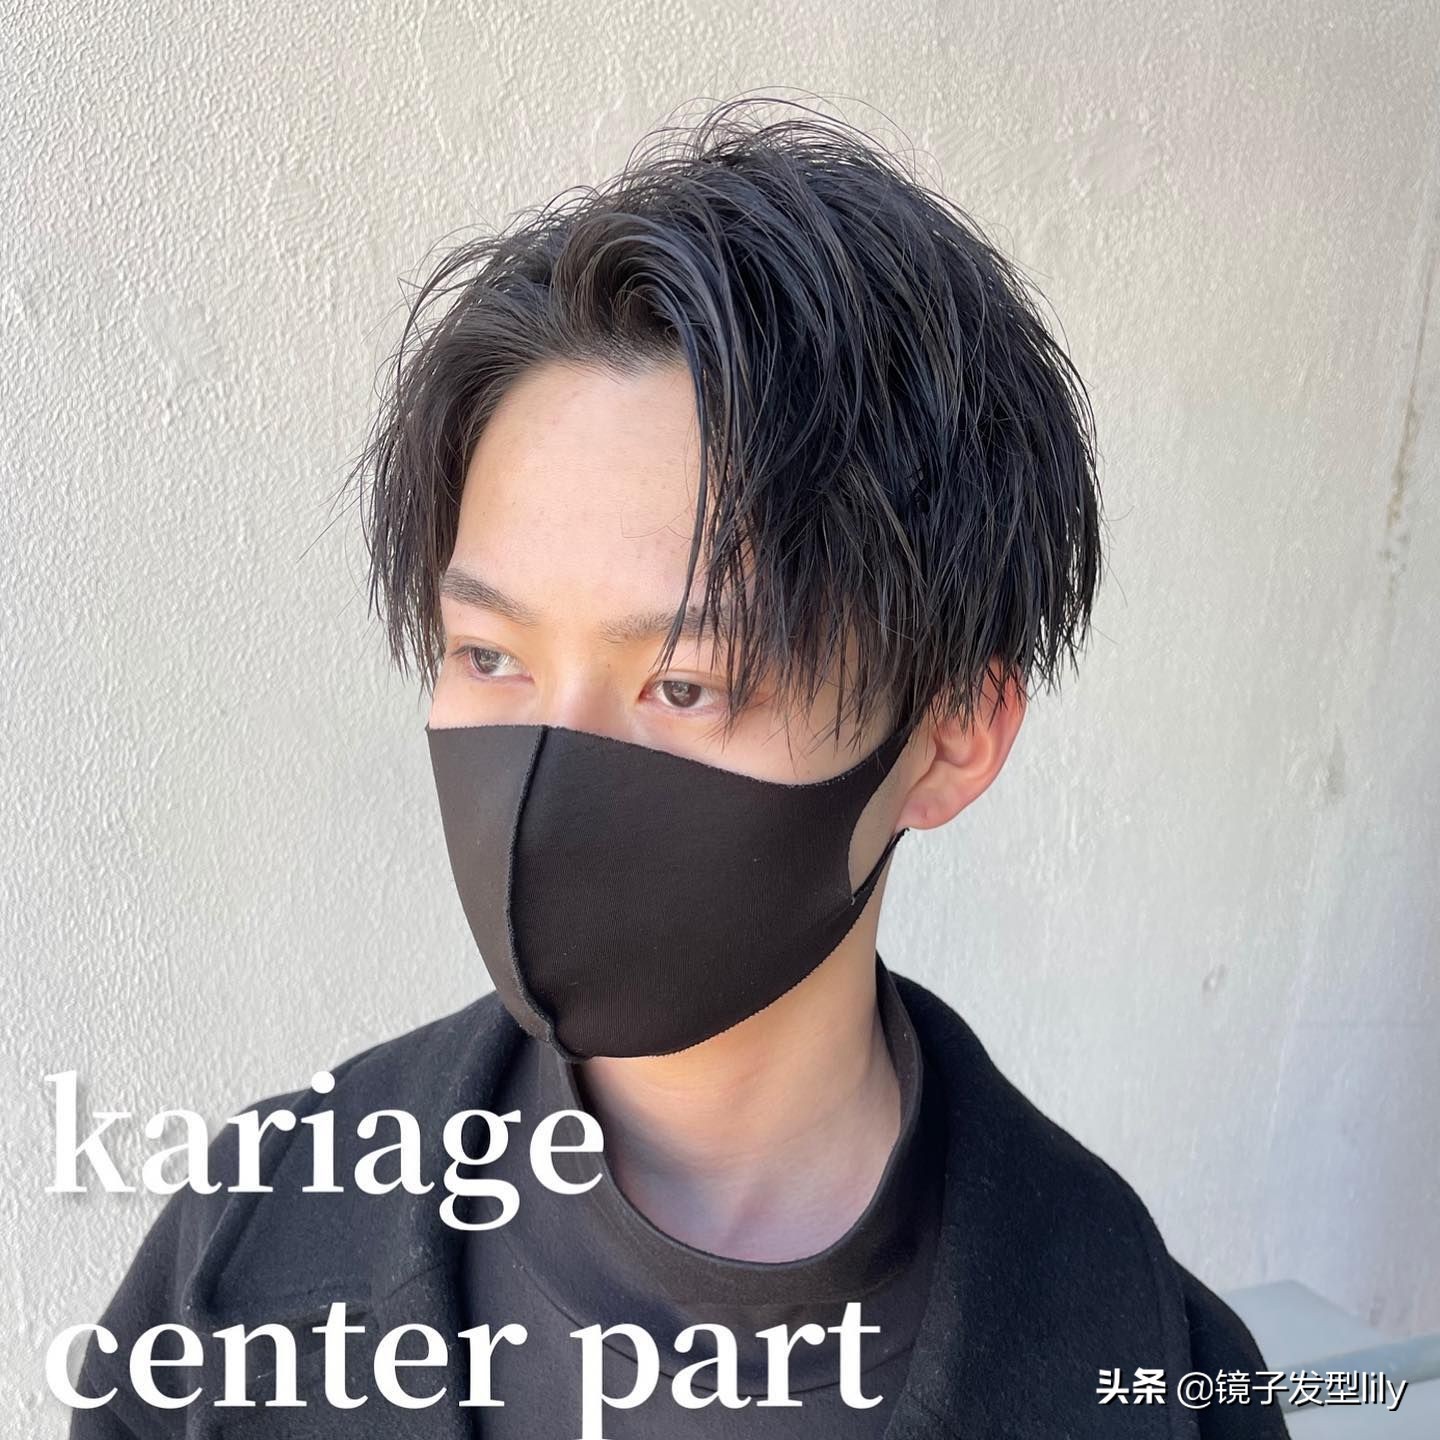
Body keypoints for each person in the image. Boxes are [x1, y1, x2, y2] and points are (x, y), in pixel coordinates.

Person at [69, 96, 1286, 1438]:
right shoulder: (246, 1248)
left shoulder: (1164, 1379)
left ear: (953, 732)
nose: (548, 776)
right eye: (490, 656)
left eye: (685, 683)